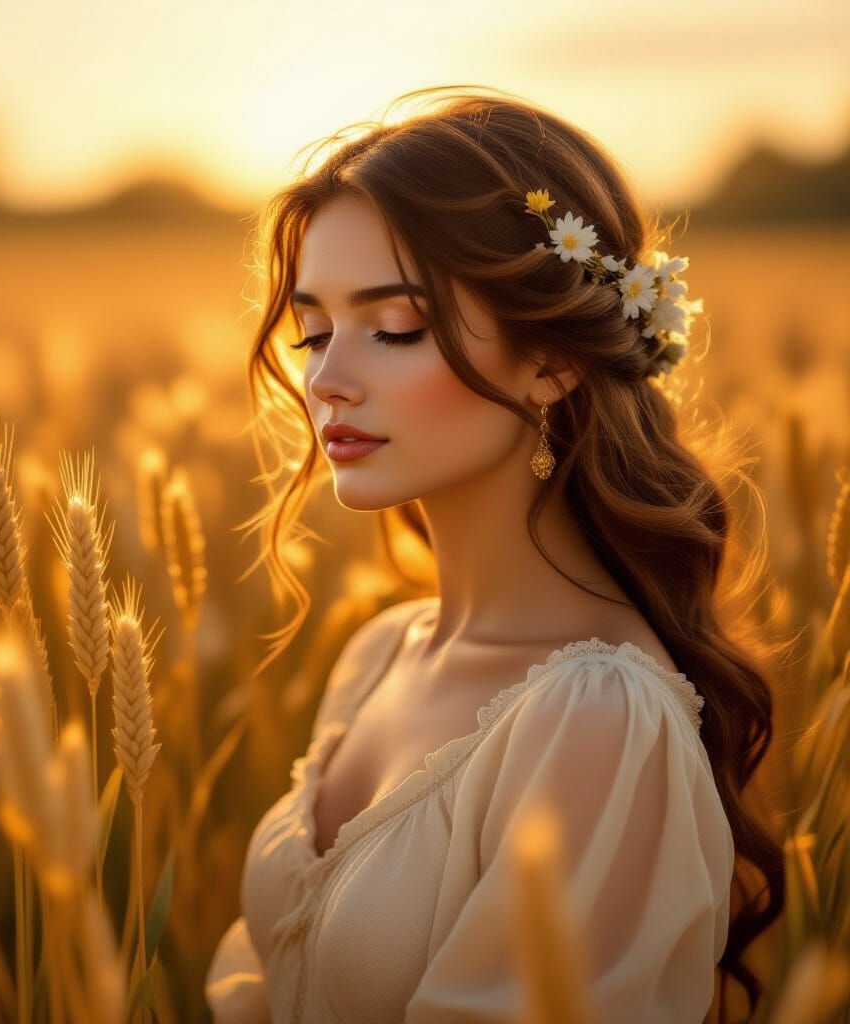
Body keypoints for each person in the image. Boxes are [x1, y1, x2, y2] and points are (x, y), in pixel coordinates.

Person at [205, 86, 784, 1023]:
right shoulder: (379, 654)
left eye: (395, 330)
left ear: (552, 360)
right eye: (313, 332)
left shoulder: (600, 721)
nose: (327, 380)